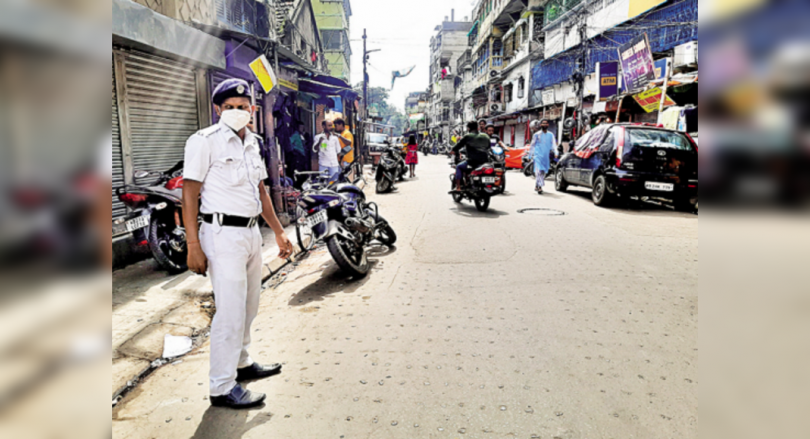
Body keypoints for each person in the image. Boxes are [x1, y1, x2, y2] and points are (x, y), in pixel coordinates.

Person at [182, 78, 294, 409]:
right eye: (228, 108)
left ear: (253, 110)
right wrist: (192, 244)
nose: (236, 112)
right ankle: (221, 386)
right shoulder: (204, 141)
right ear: (217, 110)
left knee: (249, 305)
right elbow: (189, 193)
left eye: (242, 108)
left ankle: (242, 364)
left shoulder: (253, 143)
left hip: (249, 233)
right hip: (221, 235)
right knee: (230, 312)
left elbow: (260, 190)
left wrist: (278, 230)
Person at [450, 121, 491, 192]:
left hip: (472, 161)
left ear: (468, 128)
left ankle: (458, 187)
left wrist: (452, 150)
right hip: (485, 161)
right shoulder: (486, 136)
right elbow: (488, 146)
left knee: (459, 166)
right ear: (478, 127)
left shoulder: (468, 136)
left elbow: (458, 145)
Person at [530, 119, 558, 194]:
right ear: (540, 125)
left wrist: (556, 152)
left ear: (548, 125)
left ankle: (537, 184)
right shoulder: (536, 134)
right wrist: (530, 155)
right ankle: (540, 186)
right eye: (543, 123)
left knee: (543, 171)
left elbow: (554, 144)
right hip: (538, 155)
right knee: (538, 171)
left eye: (546, 123)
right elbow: (532, 145)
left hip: (546, 156)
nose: (544, 124)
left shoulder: (551, 135)